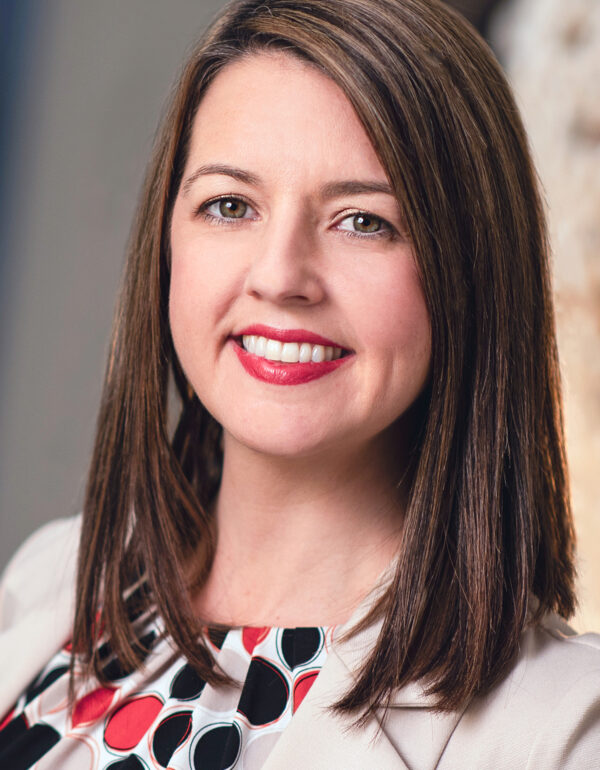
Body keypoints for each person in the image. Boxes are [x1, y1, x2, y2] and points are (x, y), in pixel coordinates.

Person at [1, 0, 599, 767]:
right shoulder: (53, 577)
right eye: (230, 205)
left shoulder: (564, 728)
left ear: (472, 270)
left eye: (363, 221)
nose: (282, 275)